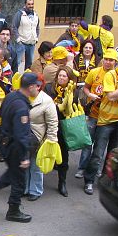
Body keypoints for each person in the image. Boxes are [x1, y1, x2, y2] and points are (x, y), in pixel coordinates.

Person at [0, 72, 37, 222]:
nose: (37, 88)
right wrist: (24, 157)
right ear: (30, 87)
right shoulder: (21, 107)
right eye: (36, 86)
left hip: (5, 141)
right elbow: (21, 135)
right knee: (19, 180)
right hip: (15, 147)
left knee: (11, 174)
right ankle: (13, 210)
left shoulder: (12, 96)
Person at [83, 52, 118, 195]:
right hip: (106, 121)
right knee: (98, 153)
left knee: (112, 154)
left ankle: (104, 179)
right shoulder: (111, 75)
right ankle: (89, 180)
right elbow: (111, 96)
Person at [76, 47, 117, 179]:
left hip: (107, 118)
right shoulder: (94, 72)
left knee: (100, 147)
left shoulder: (117, 77)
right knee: (87, 143)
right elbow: (86, 88)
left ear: (115, 62)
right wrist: (91, 95)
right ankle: (82, 167)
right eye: (106, 59)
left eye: (111, 60)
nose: (108, 62)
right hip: (93, 114)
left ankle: (95, 169)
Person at [25, 72, 58, 200]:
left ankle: (35, 190)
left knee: (35, 165)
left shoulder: (46, 101)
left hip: (38, 139)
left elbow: (53, 123)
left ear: (38, 86)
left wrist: (50, 141)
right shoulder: (22, 96)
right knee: (24, 164)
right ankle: (24, 188)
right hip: (23, 137)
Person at [44, 68, 75, 197]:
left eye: (65, 76)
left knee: (63, 156)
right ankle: (36, 183)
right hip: (48, 125)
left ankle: (62, 183)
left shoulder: (73, 90)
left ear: (69, 78)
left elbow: (72, 111)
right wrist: (58, 107)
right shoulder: (49, 88)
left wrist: (68, 102)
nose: (62, 78)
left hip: (63, 127)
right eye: (60, 75)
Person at [11, 0, 39, 73]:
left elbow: (37, 28)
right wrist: (18, 39)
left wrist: (36, 38)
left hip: (32, 43)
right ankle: (13, 79)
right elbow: (14, 27)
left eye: (32, 4)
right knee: (17, 62)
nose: (31, 6)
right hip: (21, 43)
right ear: (25, 5)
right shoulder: (20, 14)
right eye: (29, 4)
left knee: (29, 64)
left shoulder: (36, 14)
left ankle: (26, 80)